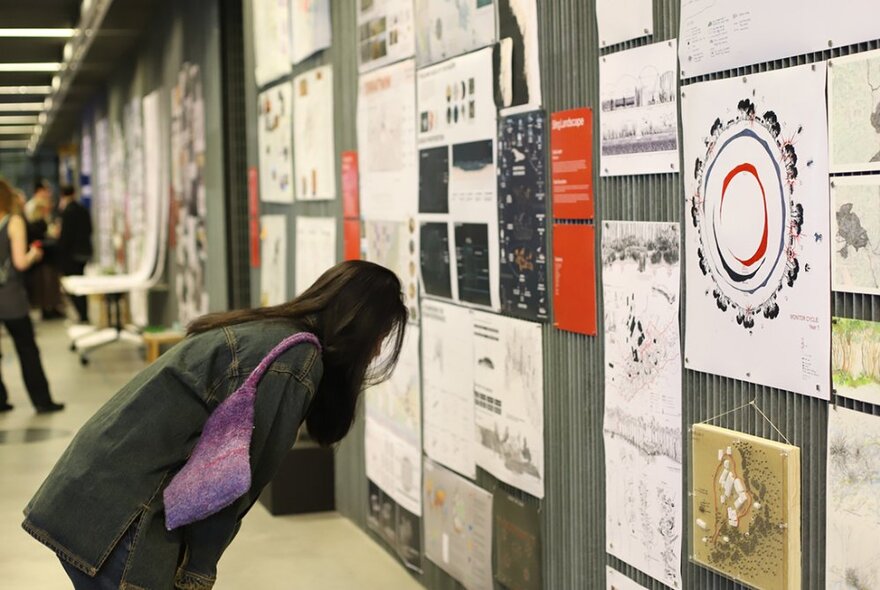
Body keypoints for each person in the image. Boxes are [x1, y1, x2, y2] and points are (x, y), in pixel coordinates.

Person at [22, 260, 407, 589]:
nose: (376, 351)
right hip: (121, 514)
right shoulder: (296, 360)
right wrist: (197, 570)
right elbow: (235, 483)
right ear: (358, 325)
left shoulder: (270, 330)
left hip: (89, 490)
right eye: (380, 336)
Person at [0, 179, 65, 414]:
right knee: (27, 349)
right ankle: (42, 400)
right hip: (10, 296)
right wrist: (34, 254)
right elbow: (19, 261)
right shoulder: (13, 222)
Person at [24, 180, 64, 320]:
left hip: (45, 257)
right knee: (45, 286)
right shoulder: (32, 213)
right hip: (42, 258)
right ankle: (48, 309)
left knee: (48, 286)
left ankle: (51, 308)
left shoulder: (40, 218)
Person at [56, 185, 93, 323]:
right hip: (83, 253)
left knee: (73, 286)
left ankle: (82, 314)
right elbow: (90, 229)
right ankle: (84, 314)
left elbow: (65, 237)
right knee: (81, 283)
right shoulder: (83, 209)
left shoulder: (67, 212)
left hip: (71, 255)